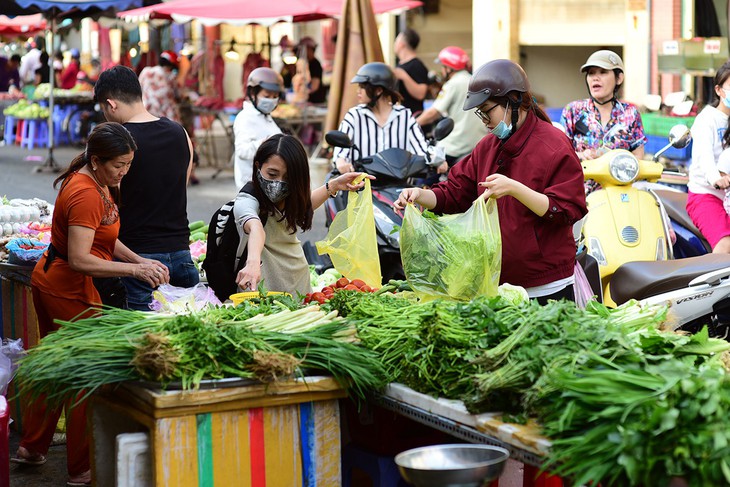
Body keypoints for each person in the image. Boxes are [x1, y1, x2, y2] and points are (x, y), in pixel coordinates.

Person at [11, 122, 170, 487]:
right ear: (96, 160)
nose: (124, 172)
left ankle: (32, 448)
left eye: (129, 164)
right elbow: (81, 258)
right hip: (65, 286)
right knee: (85, 376)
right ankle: (81, 468)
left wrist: (140, 261)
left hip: (65, 281)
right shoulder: (84, 193)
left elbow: (106, 238)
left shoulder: (99, 182)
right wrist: (135, 270)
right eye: (119, 165)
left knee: (58, 366)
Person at [394, 59, 588, 304]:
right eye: (480, 113)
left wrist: (514, 189)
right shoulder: (487, 146)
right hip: (495, 284)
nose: (484, 119)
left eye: (487, 110)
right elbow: (454, 193)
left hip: (546, 286)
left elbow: (567, 210)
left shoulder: (554, 145)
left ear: (514, 101)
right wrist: (419, 194)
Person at [94, 65, 199, 310]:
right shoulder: (180, 132)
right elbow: (177, 189)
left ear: (111, 104)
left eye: (104, 110)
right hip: (182, 258)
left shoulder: (117, 144)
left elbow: (103, 206)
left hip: (138, 263)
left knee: (140, 344)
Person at [234, 133, 371, 295]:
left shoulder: (290, 193)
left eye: (287, 177)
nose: (278, 182)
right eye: (272, 174)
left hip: (299, 280)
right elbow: (255, 227)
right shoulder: (246, 199)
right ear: (258, 166)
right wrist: (253, 263)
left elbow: (304, 205)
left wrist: (333, 186)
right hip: (265, 287)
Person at [333, 62, 430, 174]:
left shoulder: (404, 116)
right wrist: (341, 162)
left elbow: (422, 149)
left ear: (378, 90)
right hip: (363, 185)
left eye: (362, 87)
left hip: (400, 186)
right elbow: (340, 153)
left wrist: (436, 159)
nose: (358, 91)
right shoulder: (354, 116)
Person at [560, 50, 646, 165]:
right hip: (581, 182)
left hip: (619, 182)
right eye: (591, 73)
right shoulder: (573, 111)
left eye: (603, 72)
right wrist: (582, 155)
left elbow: (638, 157)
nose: (595, 78)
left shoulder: (631, 113)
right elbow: (560, 153)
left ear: (619, 78)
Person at [416, 46, 487, 173]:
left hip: (456, 145)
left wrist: (413, 125)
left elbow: (433, 113)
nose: (442, 71)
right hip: (478, 143)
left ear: (449, 68)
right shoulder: (475, 80)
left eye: (443, 67)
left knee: (426, 173)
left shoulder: (453, 84)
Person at [686, 61, 730, 253]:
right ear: (719, 90)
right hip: (706, 195)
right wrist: (716, 179)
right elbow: (704, 156)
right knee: (725, 244)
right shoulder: (707, 119)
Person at [233, 67, 285, 189]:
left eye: (274, 97)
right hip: (252, 188)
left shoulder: (266, 117)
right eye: (267, 96)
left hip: (269, 186)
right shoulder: (245, 118)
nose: (271, 100)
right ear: (253, 94)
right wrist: (265, 144)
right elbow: (242, 151)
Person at [393, 28, 429, 115]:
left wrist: (404, 76)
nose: (394, 44)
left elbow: (421, 94)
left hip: (413, 117)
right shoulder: (401, 64)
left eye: (396, 41)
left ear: (401, 44)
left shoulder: (417, 65)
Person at [138, 50, 180, 122]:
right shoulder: (169, 77)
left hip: (146, 113)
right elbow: (177, 94)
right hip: (164, 117)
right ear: (171, 66)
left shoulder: (146, 71)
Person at [296, 36, 326, 104]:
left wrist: (302, 93)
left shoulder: (315, 65)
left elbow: (314, 86)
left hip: (315, 101)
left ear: (310, 49)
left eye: (303, 49)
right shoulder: (305, 63)